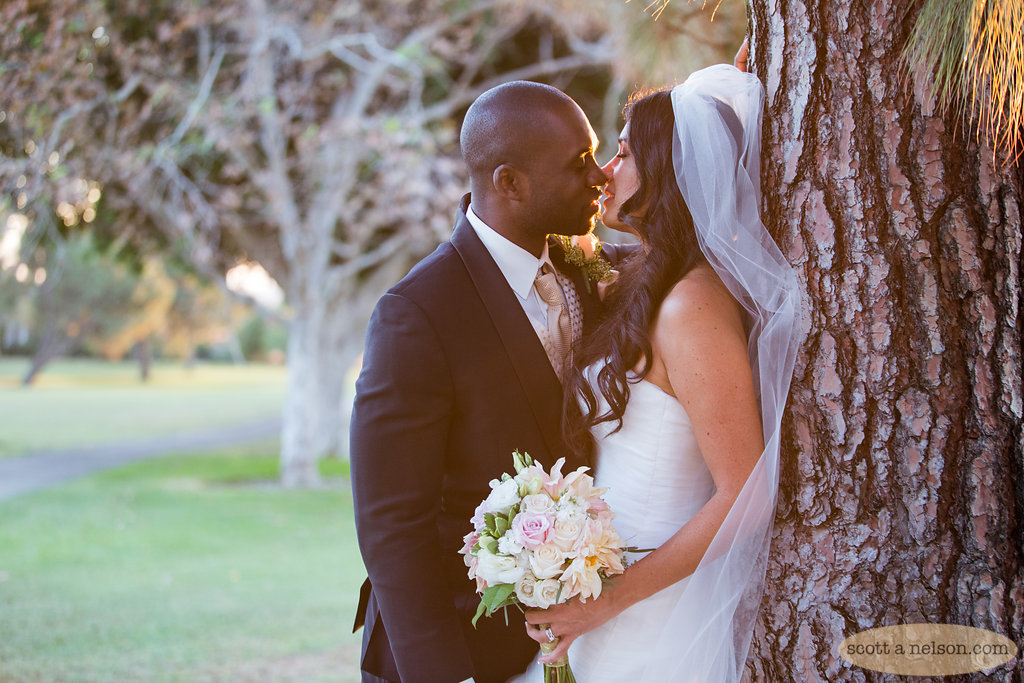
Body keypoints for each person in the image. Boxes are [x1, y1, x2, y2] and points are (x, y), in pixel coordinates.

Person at [516, 65, 801, 681]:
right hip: (601, 595)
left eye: (622, 153)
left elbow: (745, 495)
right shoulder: (645, 279)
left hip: (654, 611)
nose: (605, 172)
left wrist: (609, 600)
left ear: (668, 168)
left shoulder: (691, 307)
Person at [349, 81, 633, 683]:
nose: (599, 177)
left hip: (582, 638)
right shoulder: (417, 313)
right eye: (578, 163)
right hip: (463, 643)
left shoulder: (587, 271)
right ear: (510, 183)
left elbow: (678, 261)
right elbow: (391, 525)